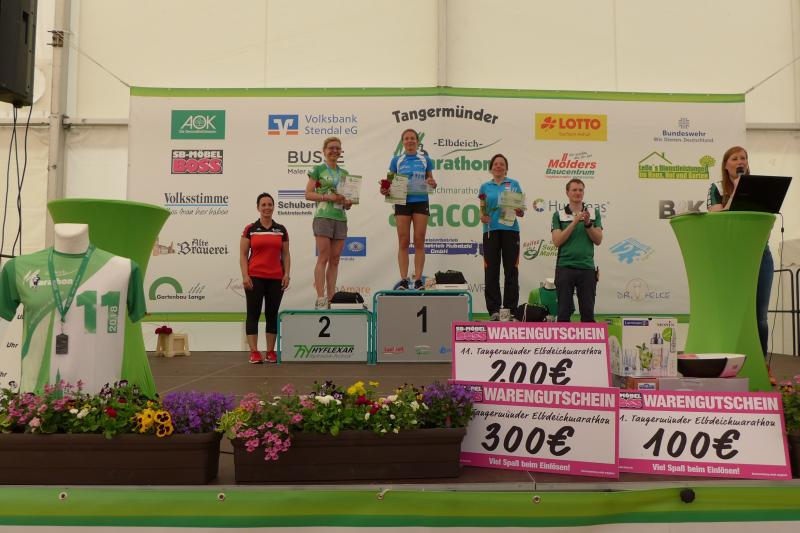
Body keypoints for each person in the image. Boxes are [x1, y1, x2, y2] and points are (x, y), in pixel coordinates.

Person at [707, 145, 773, 356]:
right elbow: (718, 221)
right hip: (732, 258)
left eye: (743, 158)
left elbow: (767, 222)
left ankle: (761, 363)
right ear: (726, 165)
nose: (740, 162)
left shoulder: (759, 188)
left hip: (760, 256)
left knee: (760, 317)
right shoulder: (717, 188)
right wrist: (736, 189)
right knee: (733, 313)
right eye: (734, 158)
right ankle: (731, 359)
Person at [381, 128, 437, 290]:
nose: (410, 140)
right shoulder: (396, 160)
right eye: (406, 138)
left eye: (413, 138)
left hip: (420, 201)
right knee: (403, 240)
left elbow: (431, 180)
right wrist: (385, 189)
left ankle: (418, 280)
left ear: (417, 141)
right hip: (402, 202)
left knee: (419, 240)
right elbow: (389, 184)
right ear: (403, 142)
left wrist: (433, 183)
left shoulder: (425, 159)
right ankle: (404, 280)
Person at [240, 193, 291, 364]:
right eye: (263, 205)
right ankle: (254, 352)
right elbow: (243, 254)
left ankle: (270, 352)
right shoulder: (250, 229)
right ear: (258, 207)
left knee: (272, 314)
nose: (267, 207)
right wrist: (245, 275)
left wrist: (286, 274)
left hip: (276, 278)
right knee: (253, 314)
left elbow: (286, 254)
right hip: (254, 278)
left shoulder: (281, 229)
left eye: (270, 204)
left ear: (273, 207)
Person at [305, 137, 352, 309]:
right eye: (331, 148)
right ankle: (321, 298)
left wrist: (348, 203)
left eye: (337, 148)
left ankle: (331, 298)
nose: (334, 151)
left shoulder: (345, 173)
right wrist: (327, 197)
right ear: (324, 151)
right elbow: (308, 194)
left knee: (335, 260)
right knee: (323, 257)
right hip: (323, 216)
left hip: (340, 218)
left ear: (341, 152)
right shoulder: (318, 169)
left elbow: (347, 201)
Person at [478, 154, 525, 320]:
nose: (498, 166)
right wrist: (482, 217)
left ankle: (510, 310)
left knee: (511, 270)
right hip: (490, 231)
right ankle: (494, 310)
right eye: (496, 164)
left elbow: (521, 211)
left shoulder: (514, 184)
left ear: (506, 168)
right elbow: (482, 209)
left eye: (502, 164)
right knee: (491, 271)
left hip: (511, 230)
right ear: (491, 168)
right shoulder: (485, 187)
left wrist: (519, 210)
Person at [551, 178, 603, 322]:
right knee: (563, 314)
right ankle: (563, 338)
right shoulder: (558, 214)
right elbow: (557, 241)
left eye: (580, 190)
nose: (578, 193)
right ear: (567, 192)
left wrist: (587, 224)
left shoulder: (593, 213)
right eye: (574, 190)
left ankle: (588, 338)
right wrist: (575, 221)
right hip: (565, 267)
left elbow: (598, 240)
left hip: (587, 267)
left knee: (588, 314)